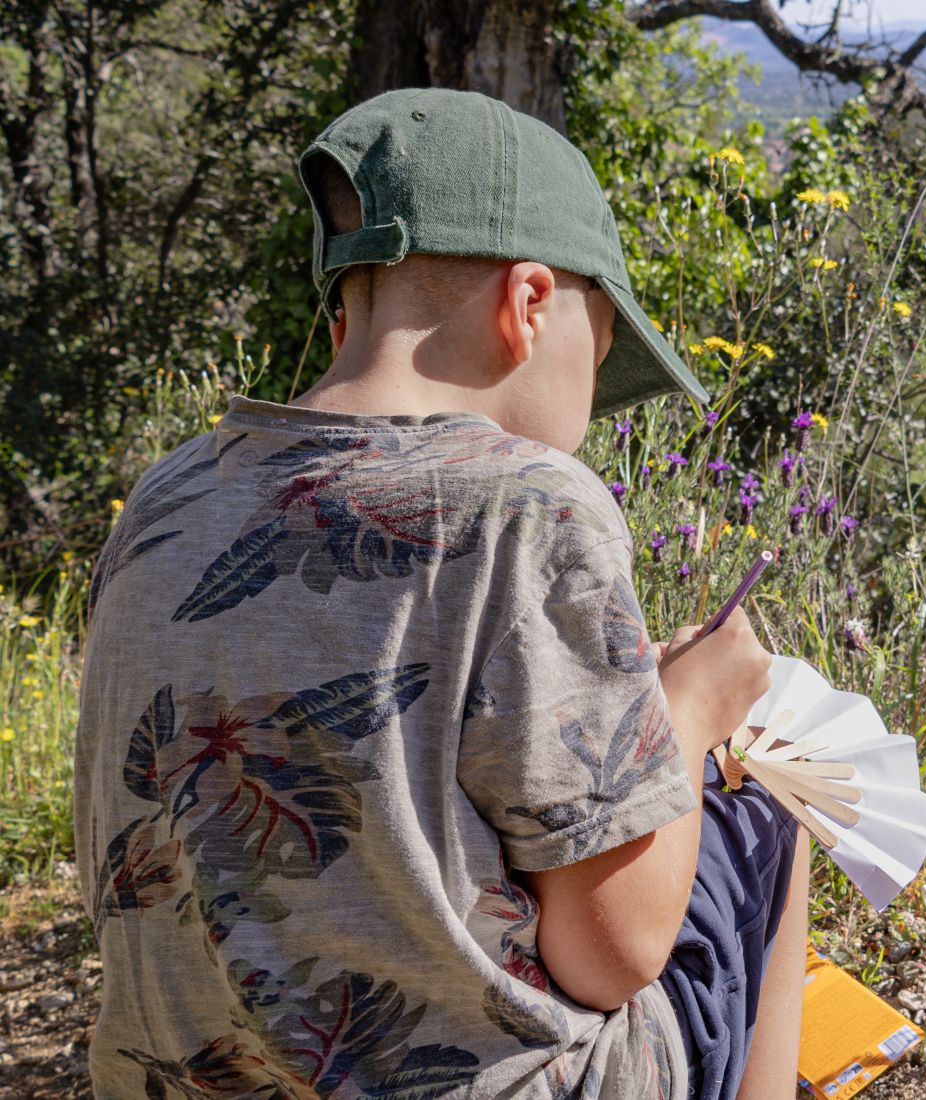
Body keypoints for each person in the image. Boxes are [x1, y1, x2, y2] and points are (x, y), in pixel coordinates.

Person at [71, 86, 809, 1099]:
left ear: (344, 316)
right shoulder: (530, 503)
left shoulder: (170, 494)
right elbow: (618, 947)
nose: (592, 408)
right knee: (765, 806)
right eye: (600, 356)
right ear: (530, 304)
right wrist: (687, 708)